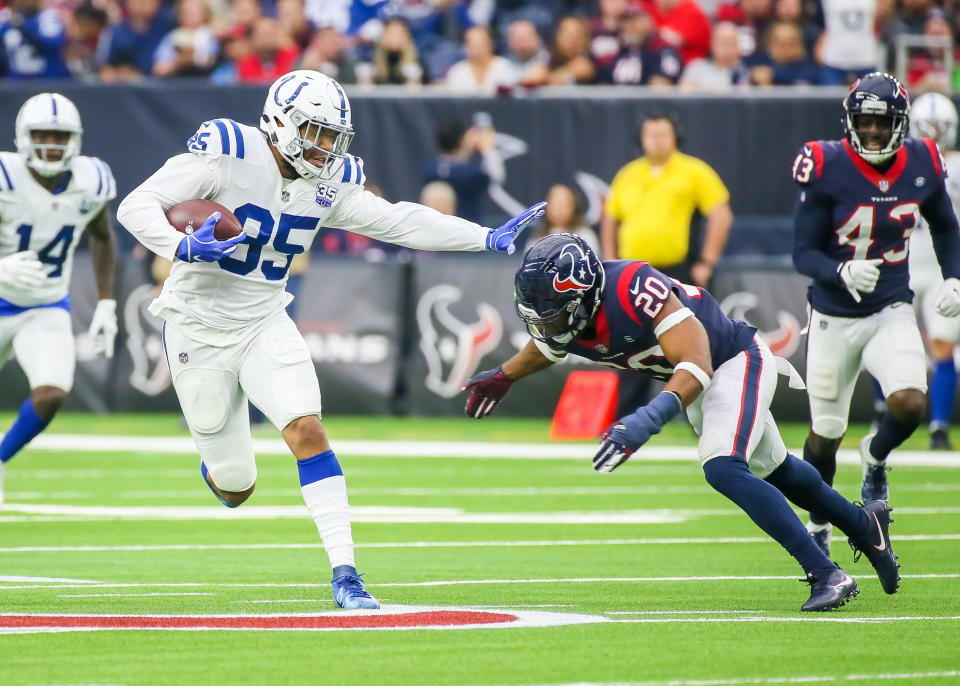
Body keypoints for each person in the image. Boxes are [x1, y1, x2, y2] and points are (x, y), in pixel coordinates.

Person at [116, 70, 544, 610]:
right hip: (193, 327)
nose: (326, 147)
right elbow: (135, 205)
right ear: (280, 123)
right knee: (235, 486)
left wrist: (482, 237)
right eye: (315, 132)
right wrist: (183, 249)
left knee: (308, 431)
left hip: (264, 321)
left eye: (332, 135)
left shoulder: (330, 181)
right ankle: (220, 463)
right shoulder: (224, 154)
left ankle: (347, 575)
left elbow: (398, 222)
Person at [463, 233, 900, 612]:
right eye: (540, 312)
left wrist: (649, 418)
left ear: (585, 295)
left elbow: (696, 360)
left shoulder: (634, 286)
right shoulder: (569, 314)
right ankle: (865, 525)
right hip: (700, 379)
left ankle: (826, 572)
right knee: (776, 468)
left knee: (723, 466)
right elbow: (548, 347)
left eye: (555, 312)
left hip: (731, 360)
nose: (547, 322)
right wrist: (505, 376)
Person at [791, 73, 960, 556]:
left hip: (890, 305)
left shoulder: (923, 161)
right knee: (824, 437)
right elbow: (802, 252)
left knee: (909, 402)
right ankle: (820, 520)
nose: (870, 133)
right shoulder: (825, 164)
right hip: (831, 314)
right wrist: (839, 270)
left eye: (880, 124)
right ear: (849, 123)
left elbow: (946, 227)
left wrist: (954, 277)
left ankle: (875, 455)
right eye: (862, 124)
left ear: (900, 125)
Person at [0, 93, 118, 506]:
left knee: (51, 393)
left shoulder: (91, 180)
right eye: (42, 135)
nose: (51, 144)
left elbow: (102, 236)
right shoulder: (5, 175)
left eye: (60, 135)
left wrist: (106, 301)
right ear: (22, 137)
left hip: (45, 305)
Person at [602, 111, 733, 414]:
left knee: (693, 343)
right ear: (642, 139)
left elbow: (721, 213)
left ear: (675, 138)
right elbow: (610, 217)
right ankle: (626, 420)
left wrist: (707, 260)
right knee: (627, 342)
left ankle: (702, 414)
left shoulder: (693, 171)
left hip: (677, 272)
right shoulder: (629, 173)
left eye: (663, 134)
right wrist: (610, 260)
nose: (657, 141)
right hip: (632, 274)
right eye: (651, 134)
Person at [908, 92, 960, 449]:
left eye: (941, 128)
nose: (935, 135)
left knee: (942, 345)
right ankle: (883, 412)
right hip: (903, 264)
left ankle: (939, 425)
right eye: (928, 128)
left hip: (944, 267)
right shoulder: (901, 163)